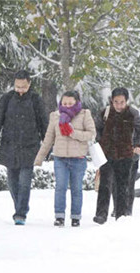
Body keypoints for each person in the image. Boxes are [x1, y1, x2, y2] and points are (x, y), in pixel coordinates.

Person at [0, 70, 48, 225]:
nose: (20, 90)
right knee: (12, 182)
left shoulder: (35, 99)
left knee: (24, 182)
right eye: (17, 86)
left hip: (29, 147)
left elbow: (44, 123)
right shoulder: (6, 99)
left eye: (23, 87)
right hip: (9, 146)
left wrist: (47, 147)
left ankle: (20, 213)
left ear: (29, 84)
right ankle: (19, 207)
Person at [34, 91, 95, 227]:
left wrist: (74, 133)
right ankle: (59, 216)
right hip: (60, 159)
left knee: (77, 189)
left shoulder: (84, 115)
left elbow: (91, 134)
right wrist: (39, 158)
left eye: (70, 103)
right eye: (64, 103)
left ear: (77, 102)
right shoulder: (55, 117)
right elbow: (48, 139)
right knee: (60, 187)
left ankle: (75, 217)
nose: (67, 106)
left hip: (78, 159)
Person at [93, 87, 140, 224]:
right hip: (107, 155)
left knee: (122, 187)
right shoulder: (105, 112)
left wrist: (139, 146)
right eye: (116, 102)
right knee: (105, 185)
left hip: (125, 155)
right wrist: (100, 143)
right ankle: (101, 214)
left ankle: (121, 214)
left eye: (122, 102)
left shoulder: (133, 113)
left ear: (126, 102)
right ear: (112, 101)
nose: (119, 105)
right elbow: (96, 129)